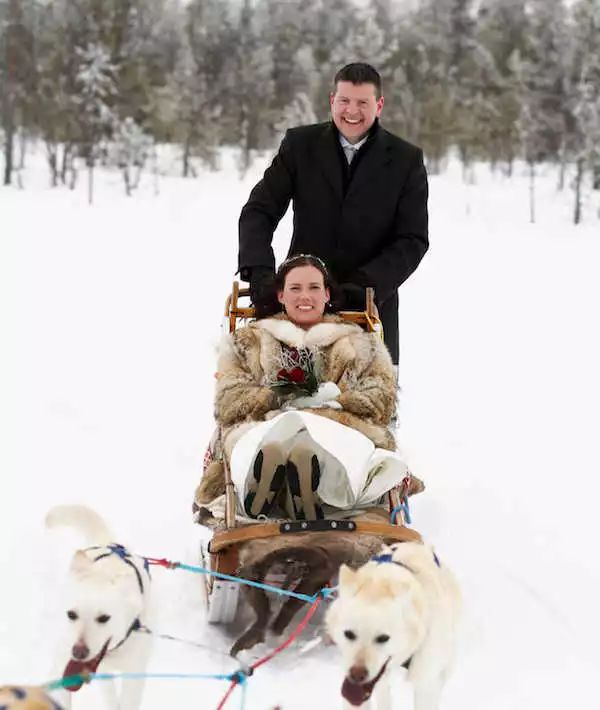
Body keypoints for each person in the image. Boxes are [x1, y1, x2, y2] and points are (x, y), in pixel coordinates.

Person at [195, 255, 418, 522]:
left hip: (337, 428)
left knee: (337, 445)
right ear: (280, 295)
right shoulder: (249, 341)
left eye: (314, 288)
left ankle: (298, 488)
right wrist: (277, 396)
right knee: (258, 440)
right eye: (295, 288)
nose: (305, 296)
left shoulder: (359, 343)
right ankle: (266, 483)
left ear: (327, 294)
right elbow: (229, 401)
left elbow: (381, 399)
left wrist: (336, 400)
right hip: (265, 427)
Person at [238, 62, 429, 366]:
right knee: (288, 405)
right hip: (299, 303)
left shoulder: (406, 160)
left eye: (362, 103)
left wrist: (364, 286)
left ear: (378, 105)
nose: (351, 111)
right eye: (344, 101)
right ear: (332, 100)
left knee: (369, 406)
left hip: (368, 307)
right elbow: (259, 210)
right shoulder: (300, 146)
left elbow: (412, 240)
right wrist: (261, 273)